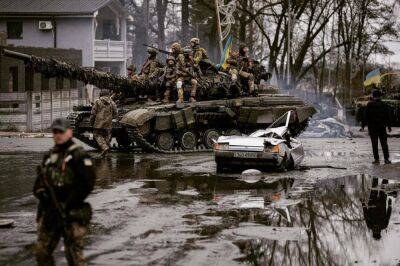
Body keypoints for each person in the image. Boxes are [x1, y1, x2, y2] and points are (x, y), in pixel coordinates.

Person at [34, 118, 96, 265]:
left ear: (69, 132)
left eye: (61, 131)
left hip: (71, 213)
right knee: (42, 253)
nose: (58, 135)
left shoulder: (79, 155)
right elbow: (39, 183)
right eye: (55, 132)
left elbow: (86, 184)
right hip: (50, 213)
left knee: (74, 257)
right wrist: (42, 193)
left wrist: (68, 203)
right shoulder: (50, 156)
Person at [361, 89, 392, 164]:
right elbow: (388, 116)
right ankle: (386, 159)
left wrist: (363, 125)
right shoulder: (384, 104)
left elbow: (366, 116)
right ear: (380, 96)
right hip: (382, 127)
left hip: (373, 128)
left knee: (374, 144)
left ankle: (377, 160)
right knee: (384, 143)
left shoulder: (370, 104)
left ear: (373, 95)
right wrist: (389, 126)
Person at [90, 90, 118, 156]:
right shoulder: (112, 102)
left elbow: (93, 113)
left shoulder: (97, 101)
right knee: (107, 135)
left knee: (97, 134)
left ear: (101, 94)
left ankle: (104, 147)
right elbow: (115, 112)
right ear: (108, 95)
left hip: (98, 122)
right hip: (108, 123)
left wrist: (91, 122)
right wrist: (111, 118)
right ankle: (106, 149)